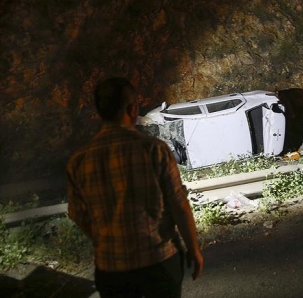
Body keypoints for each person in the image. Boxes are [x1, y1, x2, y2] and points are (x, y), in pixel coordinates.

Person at [67, 77, 203, 298]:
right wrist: (194, 249)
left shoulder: (79, 160)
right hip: (158, 262)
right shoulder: (154, 150)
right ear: (132, 109)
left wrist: (107, 239)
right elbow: (178, 203)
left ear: (100, 113)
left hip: (111, 271)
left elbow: (78, 214)